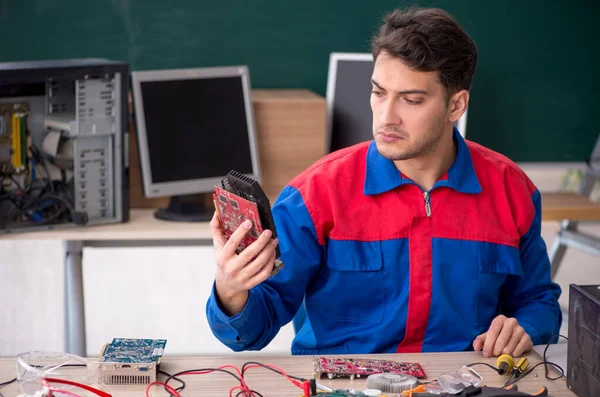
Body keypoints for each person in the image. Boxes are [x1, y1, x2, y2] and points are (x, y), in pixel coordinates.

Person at [206, 7, 562, 357]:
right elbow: (251, 331)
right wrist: (231, 287)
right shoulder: (315, 195)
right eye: (379, 93)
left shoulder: (513, 191)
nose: (386, 117)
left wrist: (525, 328)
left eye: (410, 99)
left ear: (456, 106)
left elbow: (537, 303)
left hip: (465, 388)